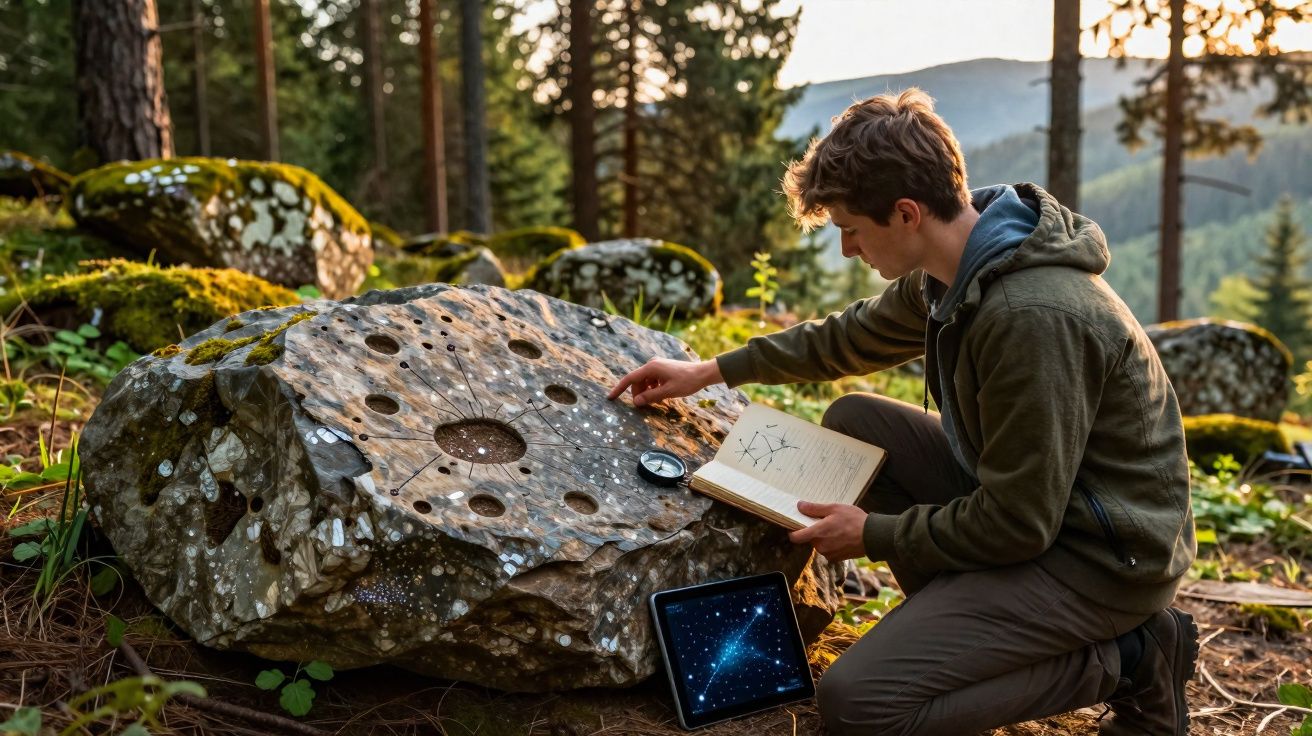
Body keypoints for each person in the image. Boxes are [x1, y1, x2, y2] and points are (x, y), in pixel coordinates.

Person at [606, 88, 1198, 736]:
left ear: (908, 213)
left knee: (859, 704)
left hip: (1102, 559)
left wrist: (874, 534)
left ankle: (1133, 656)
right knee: (858, 424)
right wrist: (710, 371)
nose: (848, 251)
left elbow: (1020, 523)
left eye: (852, 231)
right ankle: (971, 631)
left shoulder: (1031, 317)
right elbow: (845, 339)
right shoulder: (957, 267)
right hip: (1044, 514)